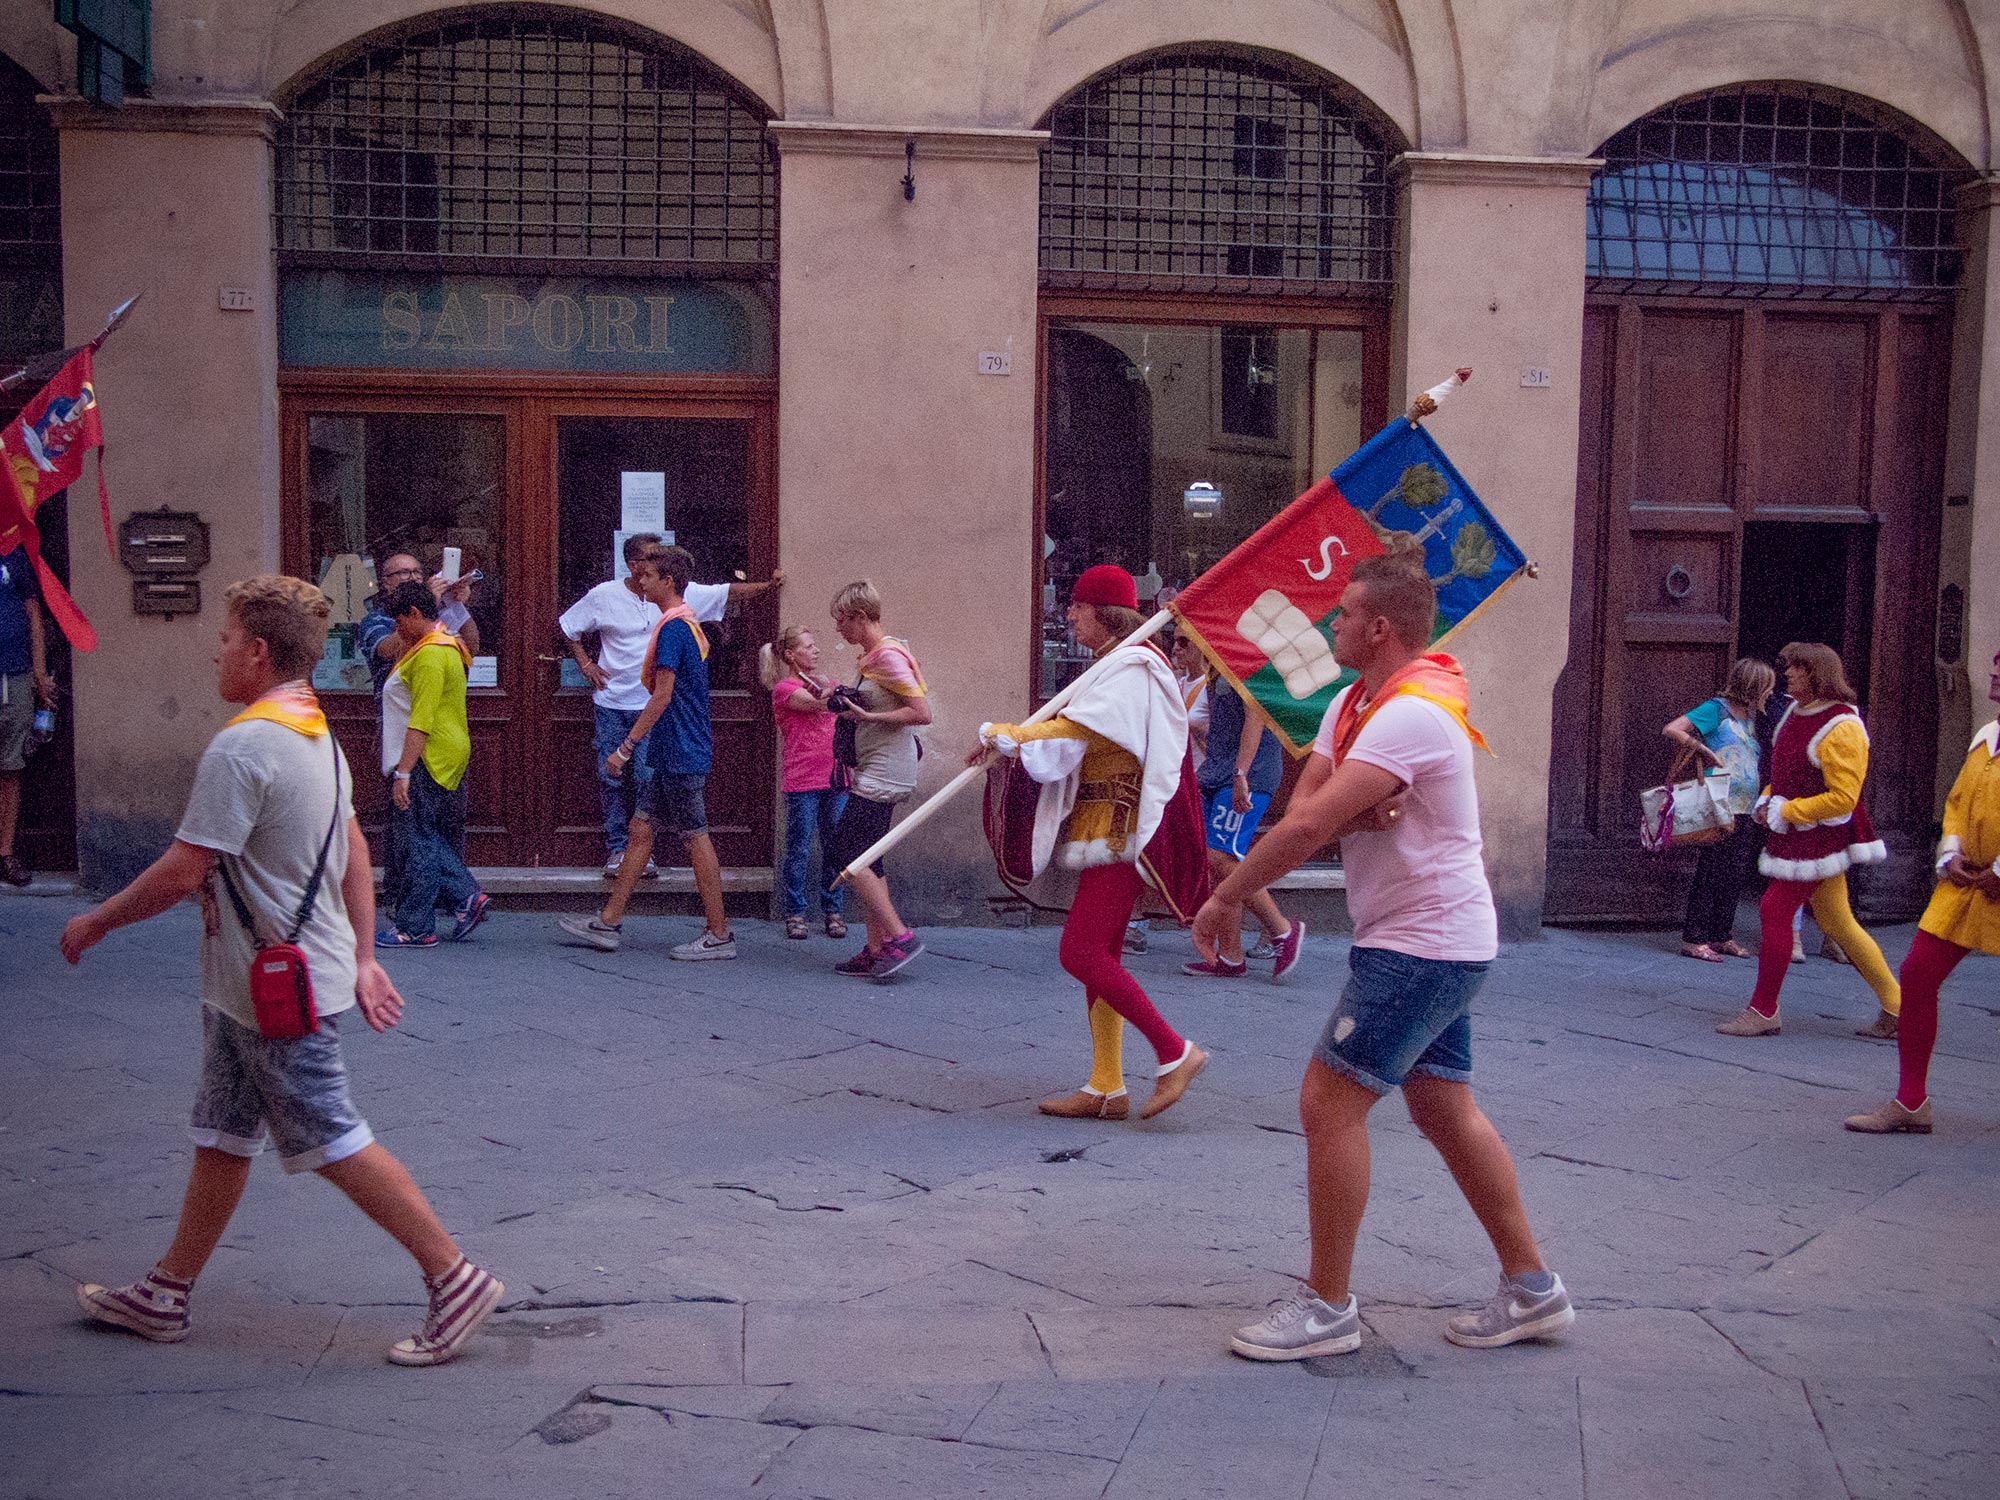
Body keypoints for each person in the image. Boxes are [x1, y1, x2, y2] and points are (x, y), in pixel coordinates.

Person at [58, 575, 502, 1366]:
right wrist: (363, 956)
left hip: (276, 989)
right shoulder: (312, 731)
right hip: (264, 977)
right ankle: (166, 1292)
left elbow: (183, 869)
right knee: (223, 1133)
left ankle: (455, 1276)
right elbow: (356, 849)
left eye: (226, 639)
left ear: (258, 652)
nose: (216, 651)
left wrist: (97, 920)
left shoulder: (245, 746)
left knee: (331, 1135)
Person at [1206, 556, 1573, 1359]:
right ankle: (1533, 1289)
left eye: (1341, 615)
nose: (1330, 625)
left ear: (1379, 627)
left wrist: (1227, 895)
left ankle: (1328, 1308)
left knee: (1326, 1104)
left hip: (1425, 945)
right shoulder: (1351, 704)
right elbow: (1307, 805)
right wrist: (1357, 814)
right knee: (1445, 1111)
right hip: (1425, 941)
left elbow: (1305, 829)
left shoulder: (1413, 715)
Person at [975, 565, 1208, 1121]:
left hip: (1123, 829)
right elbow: (1082, 731)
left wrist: (1007, 734)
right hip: (1102, 824)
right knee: (1097, 954)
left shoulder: (1135, 664)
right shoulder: (1116, 665)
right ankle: (1107, 1085)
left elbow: (1080, 730)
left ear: (1104, 611)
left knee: (1078, 951)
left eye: (1078, 607)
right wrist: (1012, 741)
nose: (1069, 615)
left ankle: (1175, 1051)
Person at [1846, 649, 2000, 1134]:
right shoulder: (1987, 736)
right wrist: (1950, 852)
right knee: (1916, 974)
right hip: (1966, 882)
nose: (1993, 671)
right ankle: (1911, 1102)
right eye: (1994, 664)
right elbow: (1956, 802)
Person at [1716, 641, 1900, 1039]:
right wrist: (1769, 800)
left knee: (1774, 909)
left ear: (1817, 675)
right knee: (1838, 922)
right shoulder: (1795, 714)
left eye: (1798, 668)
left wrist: (1786, 811)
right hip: (1799, 839)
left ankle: (1764, 1010)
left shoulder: (1843, 726)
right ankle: (1898, 1007)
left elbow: (1843, 799)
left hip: (1820, 840)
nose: (1789, 674)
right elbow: (1781, 773)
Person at [557, 547, 734, 960]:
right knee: (640, 829)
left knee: (695, 836)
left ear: (668, 581)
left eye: (648, 576)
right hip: (675, 746)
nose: (640, 582)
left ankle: (720, 934)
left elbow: (662, 695)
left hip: (679, 747)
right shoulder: (684, 623)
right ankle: (608, 922)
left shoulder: (673, 629)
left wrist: (625, 746)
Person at [355, 552, 478, 915]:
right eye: (401, 572)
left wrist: (457, 607)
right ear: (384, 580)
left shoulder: (432, 620)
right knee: (407, 823)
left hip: (437, 732)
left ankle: (450, 899)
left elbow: (471, 645)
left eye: (415, 571)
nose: (409, 576)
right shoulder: (379, 620)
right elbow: (390, 648)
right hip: (398, 729)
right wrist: (426, 606)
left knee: (435, 821)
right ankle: (407, 896)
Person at [824, 580, 930, 980]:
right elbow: (887, 699)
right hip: (879, 765)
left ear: (861, 617)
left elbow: (921, 712)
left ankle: (900, 937)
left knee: (848, 855)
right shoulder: (874, 657)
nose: (838, 629)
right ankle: (874, 949)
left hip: (884, 771)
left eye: (841, 620)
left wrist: (869, 718)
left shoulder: (885, 657)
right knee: (871, 860)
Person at [376, 583, 490, 948]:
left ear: (414, 613)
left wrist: (404, 772)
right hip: (447, 748)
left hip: (428, 754)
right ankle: (450, 905)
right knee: (423, 835)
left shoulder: (429, 656)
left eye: (399, 621)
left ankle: (419, 923)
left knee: (418, 839)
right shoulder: (443, 645)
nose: (397, 630)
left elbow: (420, 719)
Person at [1182, 674, 1305, 981]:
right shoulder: (1216, 663)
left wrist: (1241, 774)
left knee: (1220, 857)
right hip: (1216, 771)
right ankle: (1231, 956)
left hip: (1248, 773)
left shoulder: (1245, 661)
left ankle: (1282, 929)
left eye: (1184, 641)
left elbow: (1256, 716)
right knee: (1221, 862)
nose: (1180, 645)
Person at [558, 532, 666, 878]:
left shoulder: (663, 594)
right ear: (633, 564)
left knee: (647, 779)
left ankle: (643, 852)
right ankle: (618, 849)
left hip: (650, 704)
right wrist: (585, 663)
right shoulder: (605, 595)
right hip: (612, 703)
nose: (656, 564)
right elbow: (568, 627)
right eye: (651, 558)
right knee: (612, 777)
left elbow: (718, 596)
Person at [1662, 657, 1776, 961]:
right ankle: (1694, 937)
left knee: (1735, 872)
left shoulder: (1750, 717)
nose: (1769, 694)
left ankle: (1721, 934)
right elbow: (1673, 729)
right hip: (1719, 803)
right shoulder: (1717, 709)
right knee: (1711, 870)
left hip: (1745, 806)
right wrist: (1701, 748)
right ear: (1754, 686)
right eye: (1766, 687)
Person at [762, 624, 848, 941]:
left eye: (815, 646)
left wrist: (835, 690)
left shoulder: (828, 683)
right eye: (808, 646)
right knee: (798, 849)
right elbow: (817, 703)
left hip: (836, 776)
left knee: (834, 847)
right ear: (790, 654)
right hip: (802, 779)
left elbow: (846, 700)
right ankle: (795, 912)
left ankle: (833, 911)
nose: (816, 650)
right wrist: (834, 694)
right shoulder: (784, 689)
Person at [0, 543, 56, 887]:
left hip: (15, 674)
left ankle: (4, 855)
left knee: (11, 766)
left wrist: (38, 674)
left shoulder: (14, 555)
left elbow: (34, 615)